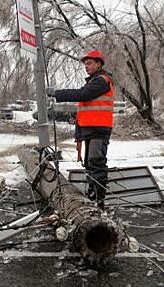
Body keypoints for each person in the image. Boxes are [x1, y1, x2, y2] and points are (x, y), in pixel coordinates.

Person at [46, 50, 114, 210]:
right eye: (85, 64)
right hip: (91, 129)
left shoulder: (102, 81)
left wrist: (57, 93)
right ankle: (93, 197)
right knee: (91, 165)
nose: (86, 67)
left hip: (99, 130)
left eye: (89, 63)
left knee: (96, 163)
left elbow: (82, 94)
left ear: (99, 64)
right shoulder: (94, 81)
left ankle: (98, 202)